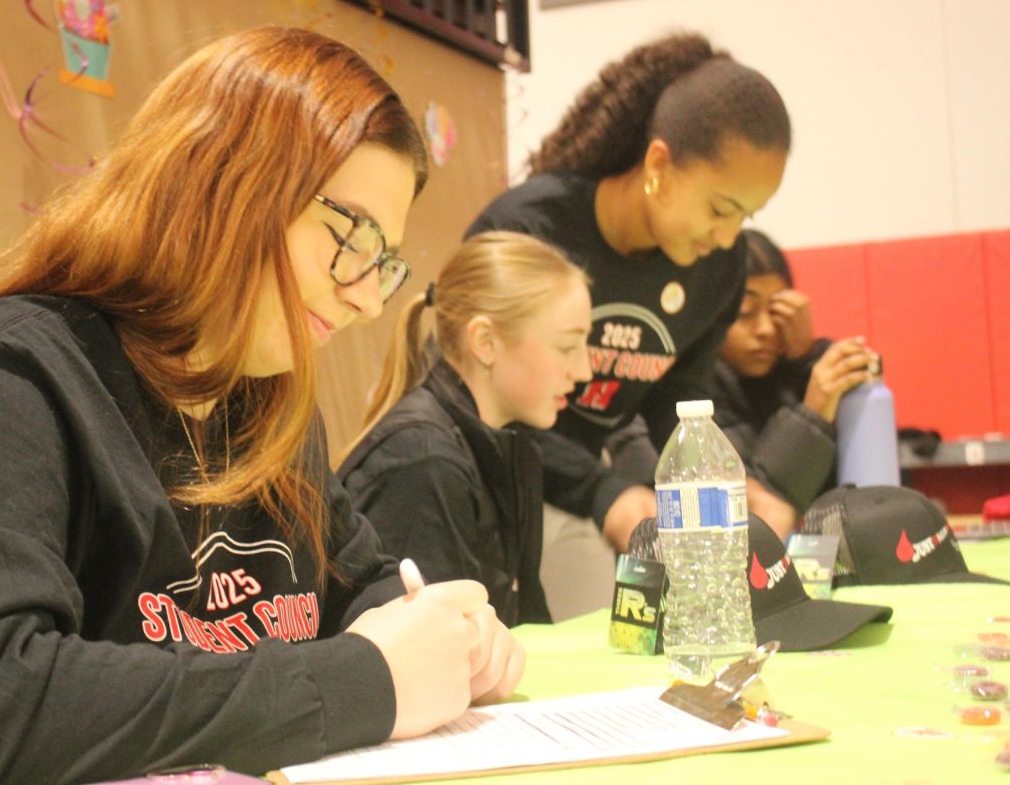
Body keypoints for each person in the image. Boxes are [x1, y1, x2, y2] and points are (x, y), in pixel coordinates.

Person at [0, 26, 523, 785]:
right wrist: (362, 682)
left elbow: (364, 586)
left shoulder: (265, 405)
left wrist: (453, 636)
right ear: (222, 181)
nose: (363, 297)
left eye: (383, 263)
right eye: (352, 236)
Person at [466, 31, 794, 551]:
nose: (730, 237)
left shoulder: (717, 268)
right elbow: (478, 400)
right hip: (482, 496)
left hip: (582, 495)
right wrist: (601, 491)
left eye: (746, 215)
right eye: (719, 209)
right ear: (660, 167)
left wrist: (721, 480)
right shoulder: (527, 231)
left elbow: (676, 397)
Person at [337, 232, 593, 627]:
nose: (584, 371)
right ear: (486, 342)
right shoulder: (423, 462)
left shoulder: (516, 449)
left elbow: (528, 625)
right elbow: (425, 653)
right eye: (566, 347)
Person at [608, 229, 876, 525]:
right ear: (708, 315)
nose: (765, 329)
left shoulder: (799, 371)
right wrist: (812, 413)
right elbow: (753, 512)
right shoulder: (672, 395)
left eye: (777, 312)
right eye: (746, 312)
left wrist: (805, 361)